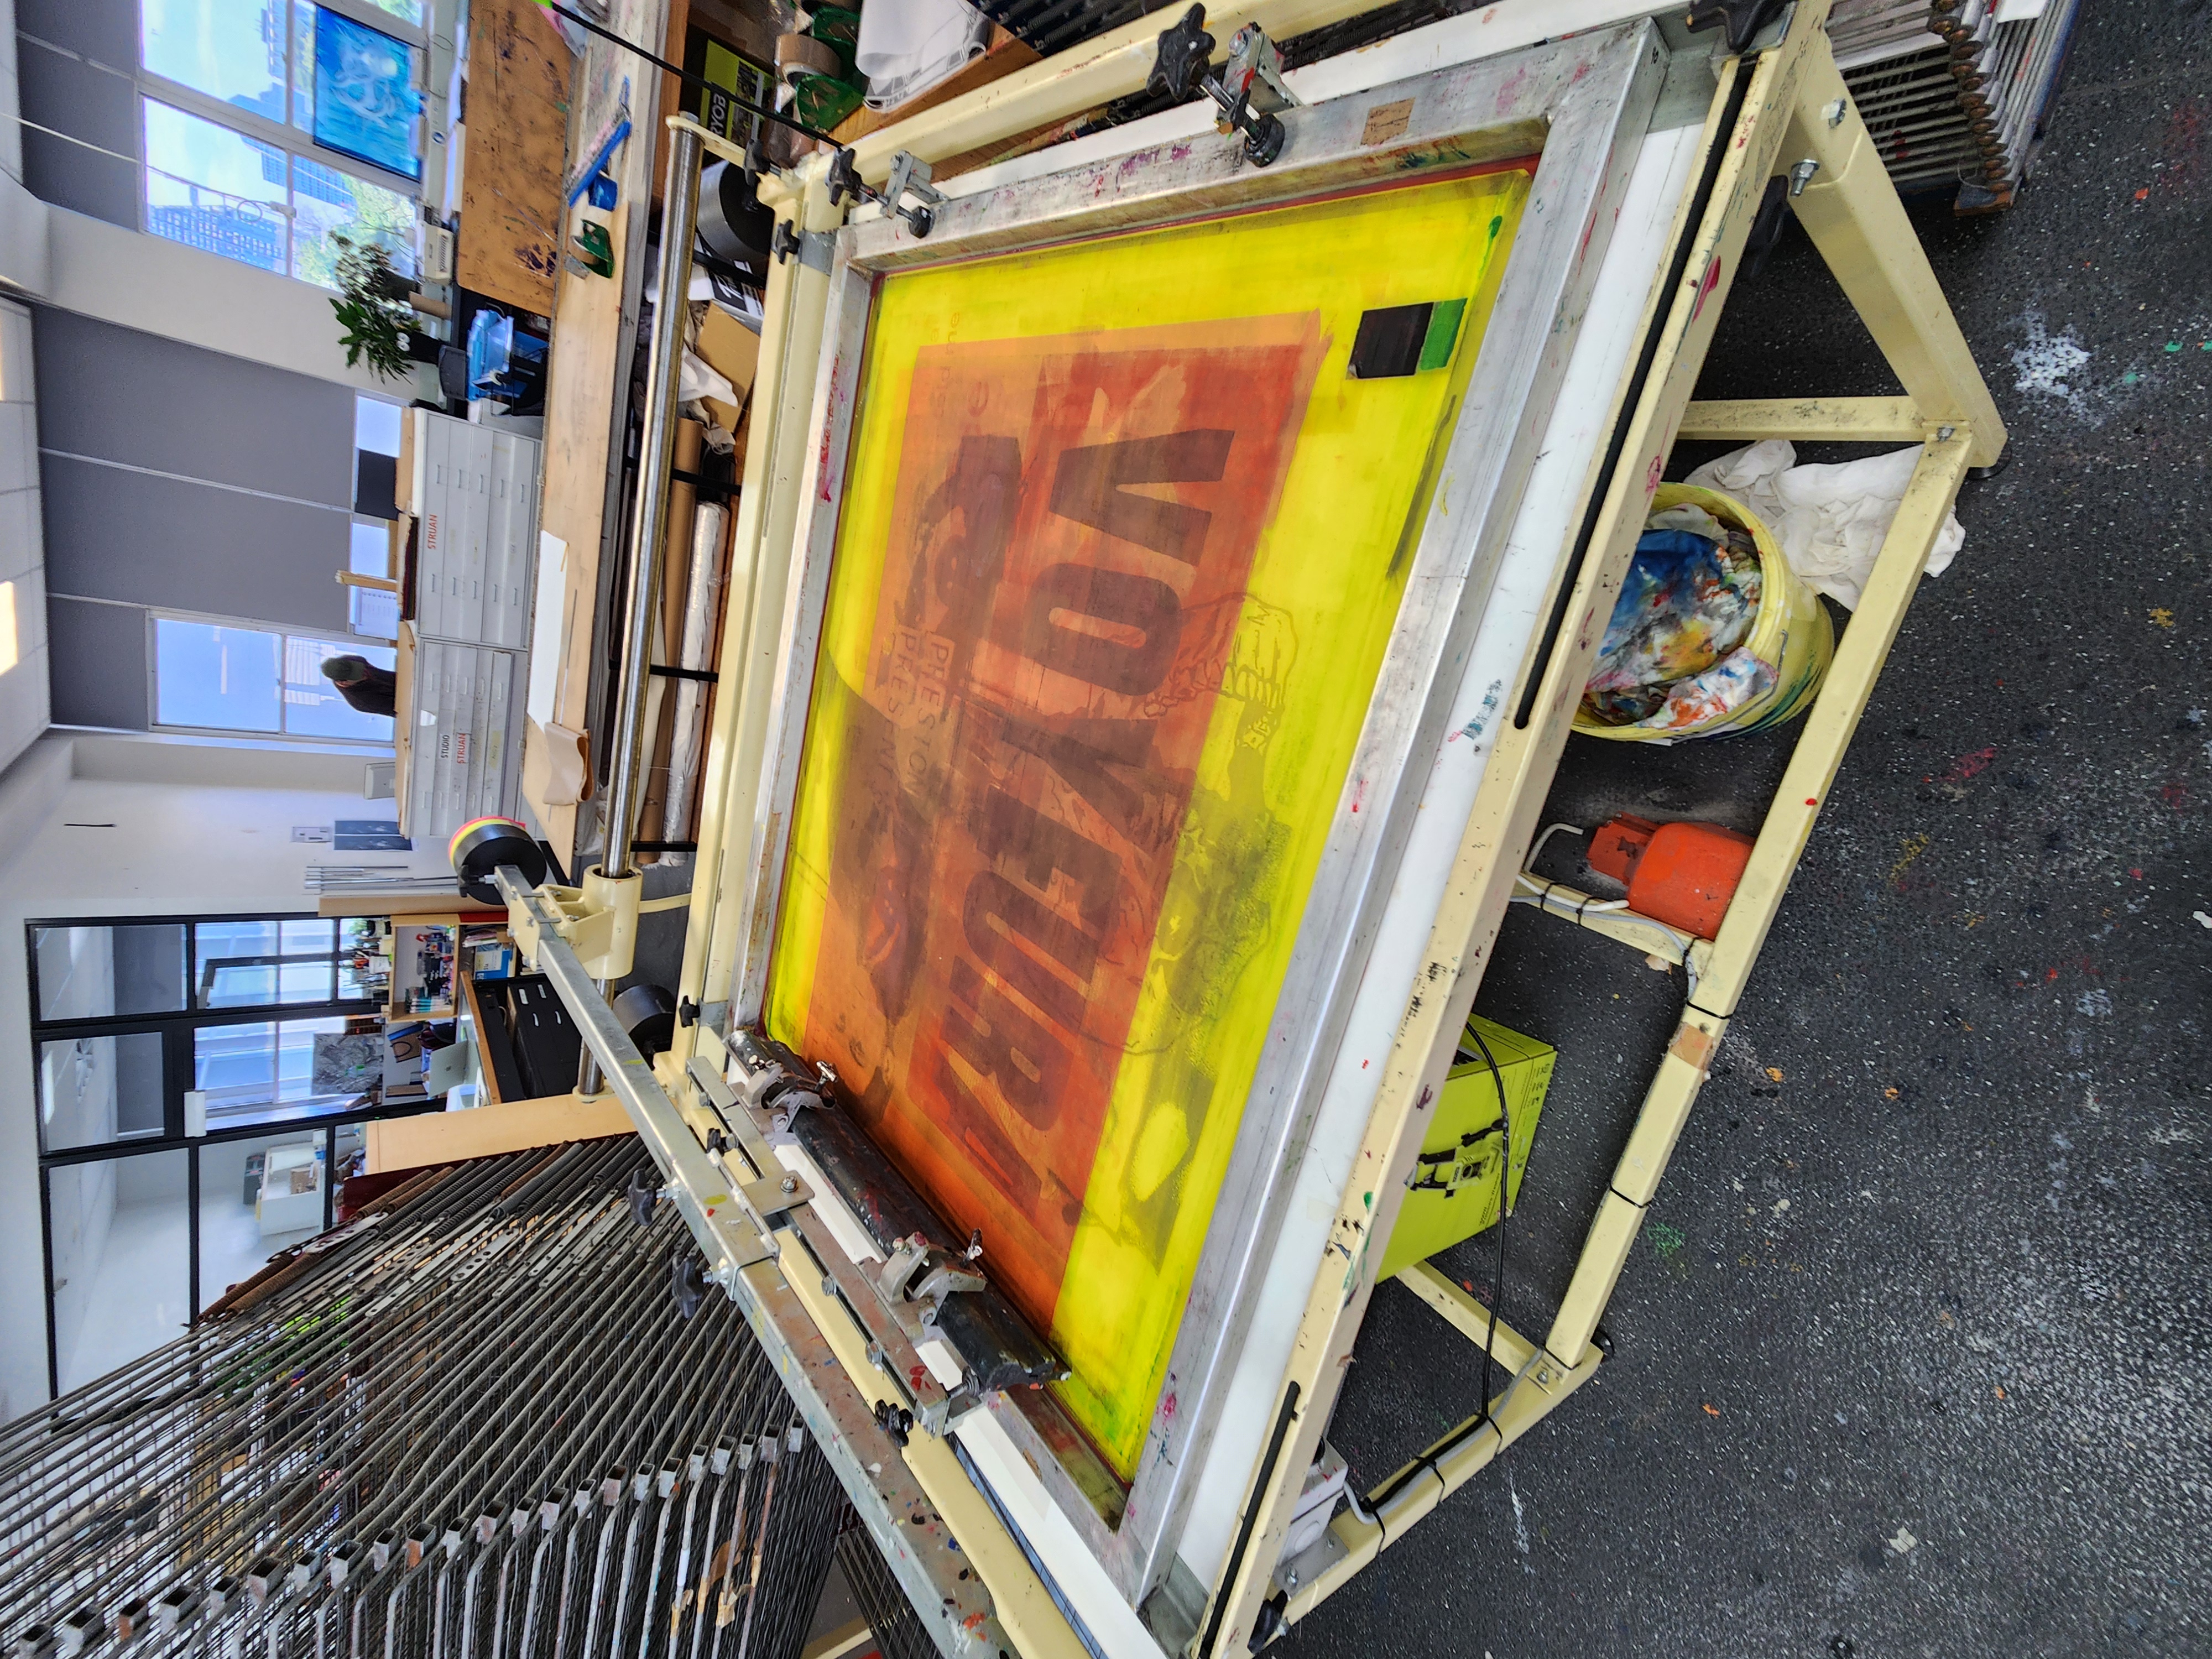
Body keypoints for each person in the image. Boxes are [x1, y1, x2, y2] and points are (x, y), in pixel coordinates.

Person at [320, 654, 398, 718]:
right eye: (357, 675)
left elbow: (364, 662)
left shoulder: (351, 660)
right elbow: (404, 710)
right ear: (343, 683)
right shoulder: (362, 702)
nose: (364, 672)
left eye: (357, 668)